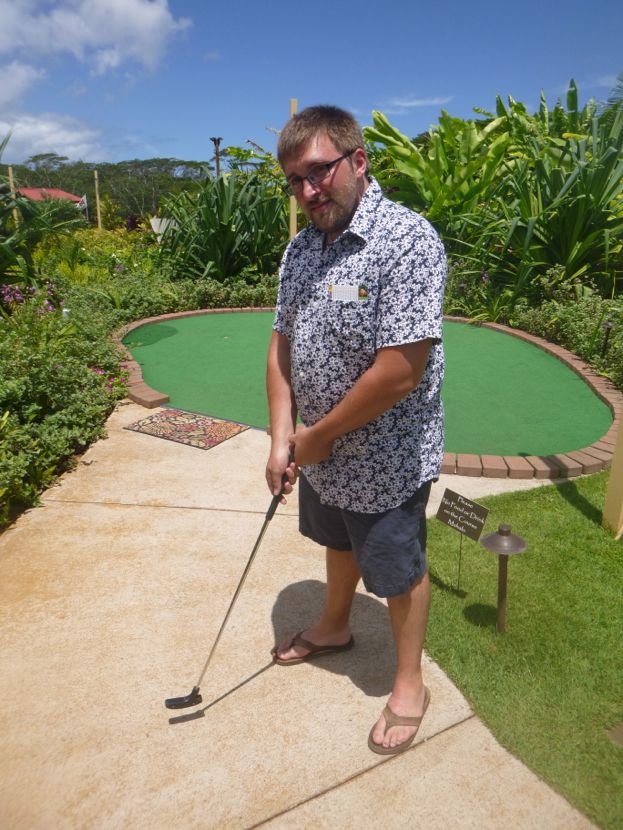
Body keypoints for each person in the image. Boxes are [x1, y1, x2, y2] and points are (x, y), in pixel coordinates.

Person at [265, 105, 447, 755]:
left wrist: (316, 437)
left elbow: (400, 370)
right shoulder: (298, 250)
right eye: (294, 179)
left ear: (358, 161)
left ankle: (408, 683)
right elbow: (280, 343)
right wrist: (281, 433)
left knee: (396, 571)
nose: (307, 190)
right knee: (334, 538)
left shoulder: (407, 241)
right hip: (320, 449)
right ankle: (335, 624)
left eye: (318, 171)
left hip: (387, 454)